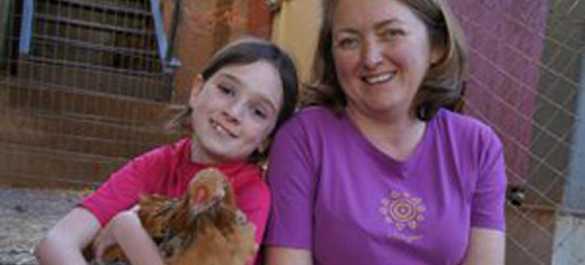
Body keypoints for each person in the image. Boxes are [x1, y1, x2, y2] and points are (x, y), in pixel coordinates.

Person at [263, 0, 506, 264]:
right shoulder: (304, 138)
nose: (370, 58)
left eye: (391, 33)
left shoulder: (477, 146)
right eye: (349, 41)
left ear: (436, 46)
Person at [34, 37, 299, 265]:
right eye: (227, 90)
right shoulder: (157, 164)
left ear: (267, 139)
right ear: (196, 91)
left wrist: (128, 229)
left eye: (258, 111)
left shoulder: (251, 196)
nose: (233, 112)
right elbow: (55, 243)